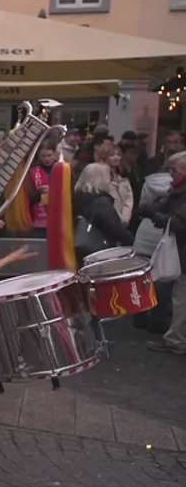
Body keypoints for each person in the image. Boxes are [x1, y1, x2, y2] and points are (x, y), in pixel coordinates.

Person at [144, 151, 186, 354]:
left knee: (182, 296)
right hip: (181, 248)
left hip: (183, 249)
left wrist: (156, 215)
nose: (171, 174)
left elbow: (178, 221)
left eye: (174, 170)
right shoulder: (177, 189)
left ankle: (176, 340)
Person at [72, 163, 134, 263]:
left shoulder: (77, 198)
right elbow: (114, 228)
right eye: (109, 178)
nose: (110, 181)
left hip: (80, 248)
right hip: (99, 253)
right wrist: (130, 238)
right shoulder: (100, 202)